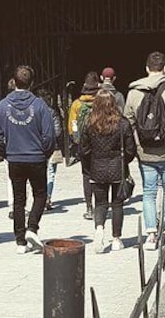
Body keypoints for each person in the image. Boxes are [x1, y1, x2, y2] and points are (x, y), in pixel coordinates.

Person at [124, 51, 165, 250]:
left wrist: (137, 144)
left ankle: (151, 235)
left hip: (145, 151)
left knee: (149, 192)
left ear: (146, 68)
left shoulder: (134, 91)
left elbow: (128, 122)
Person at [0, 66, 55, 254]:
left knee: (19, 199)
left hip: (15, 158)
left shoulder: (3, 106)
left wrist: (5, 153)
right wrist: (45, 153)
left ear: (14, 81)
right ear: (32, 83)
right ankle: (32, 227)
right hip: (36, 157)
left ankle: (20, 241)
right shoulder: (39, 105)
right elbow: (49, 135)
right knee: (40, 194)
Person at [81, 90, 136, 254]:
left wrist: (88, 167)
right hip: (117, 167)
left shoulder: (89, 123)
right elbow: (131, 149)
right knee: (117, 204)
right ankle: (117, 239)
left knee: (100, 203)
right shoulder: (122, 123)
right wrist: (124, 162)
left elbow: (83, 150)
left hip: (97, 166)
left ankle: (99, 228)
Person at [67, 72, 100, 220]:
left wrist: (76, 139)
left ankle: (89, 208)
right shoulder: (102, 102)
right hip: (101, 144)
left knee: (86, 176)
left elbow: (72, 125)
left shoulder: (77, 104)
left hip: (84, 145)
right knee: (100, 177)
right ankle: (101, 206)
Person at [36, 88, 64, 211]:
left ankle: (40, 197)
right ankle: (47, 197)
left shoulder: (33, 112)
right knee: (50, 174)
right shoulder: (52, 112)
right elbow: (57, 131)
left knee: (39, 174)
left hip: (36, 147)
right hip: (52, 146)